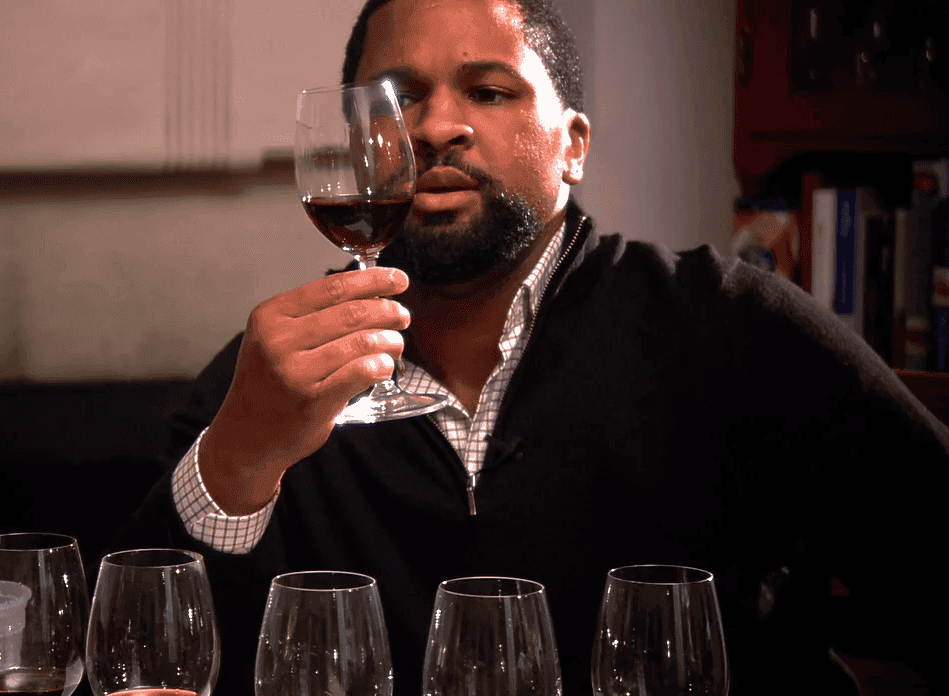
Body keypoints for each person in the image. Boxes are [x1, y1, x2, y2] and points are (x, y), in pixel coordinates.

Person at [116, 0, 947, 694]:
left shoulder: (733, 324)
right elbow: (134, 661)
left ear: (573, 143)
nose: (437, 126)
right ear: (357, 145)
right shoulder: (269, 378)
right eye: (398, 100)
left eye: (488, 91)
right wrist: (237, 462)